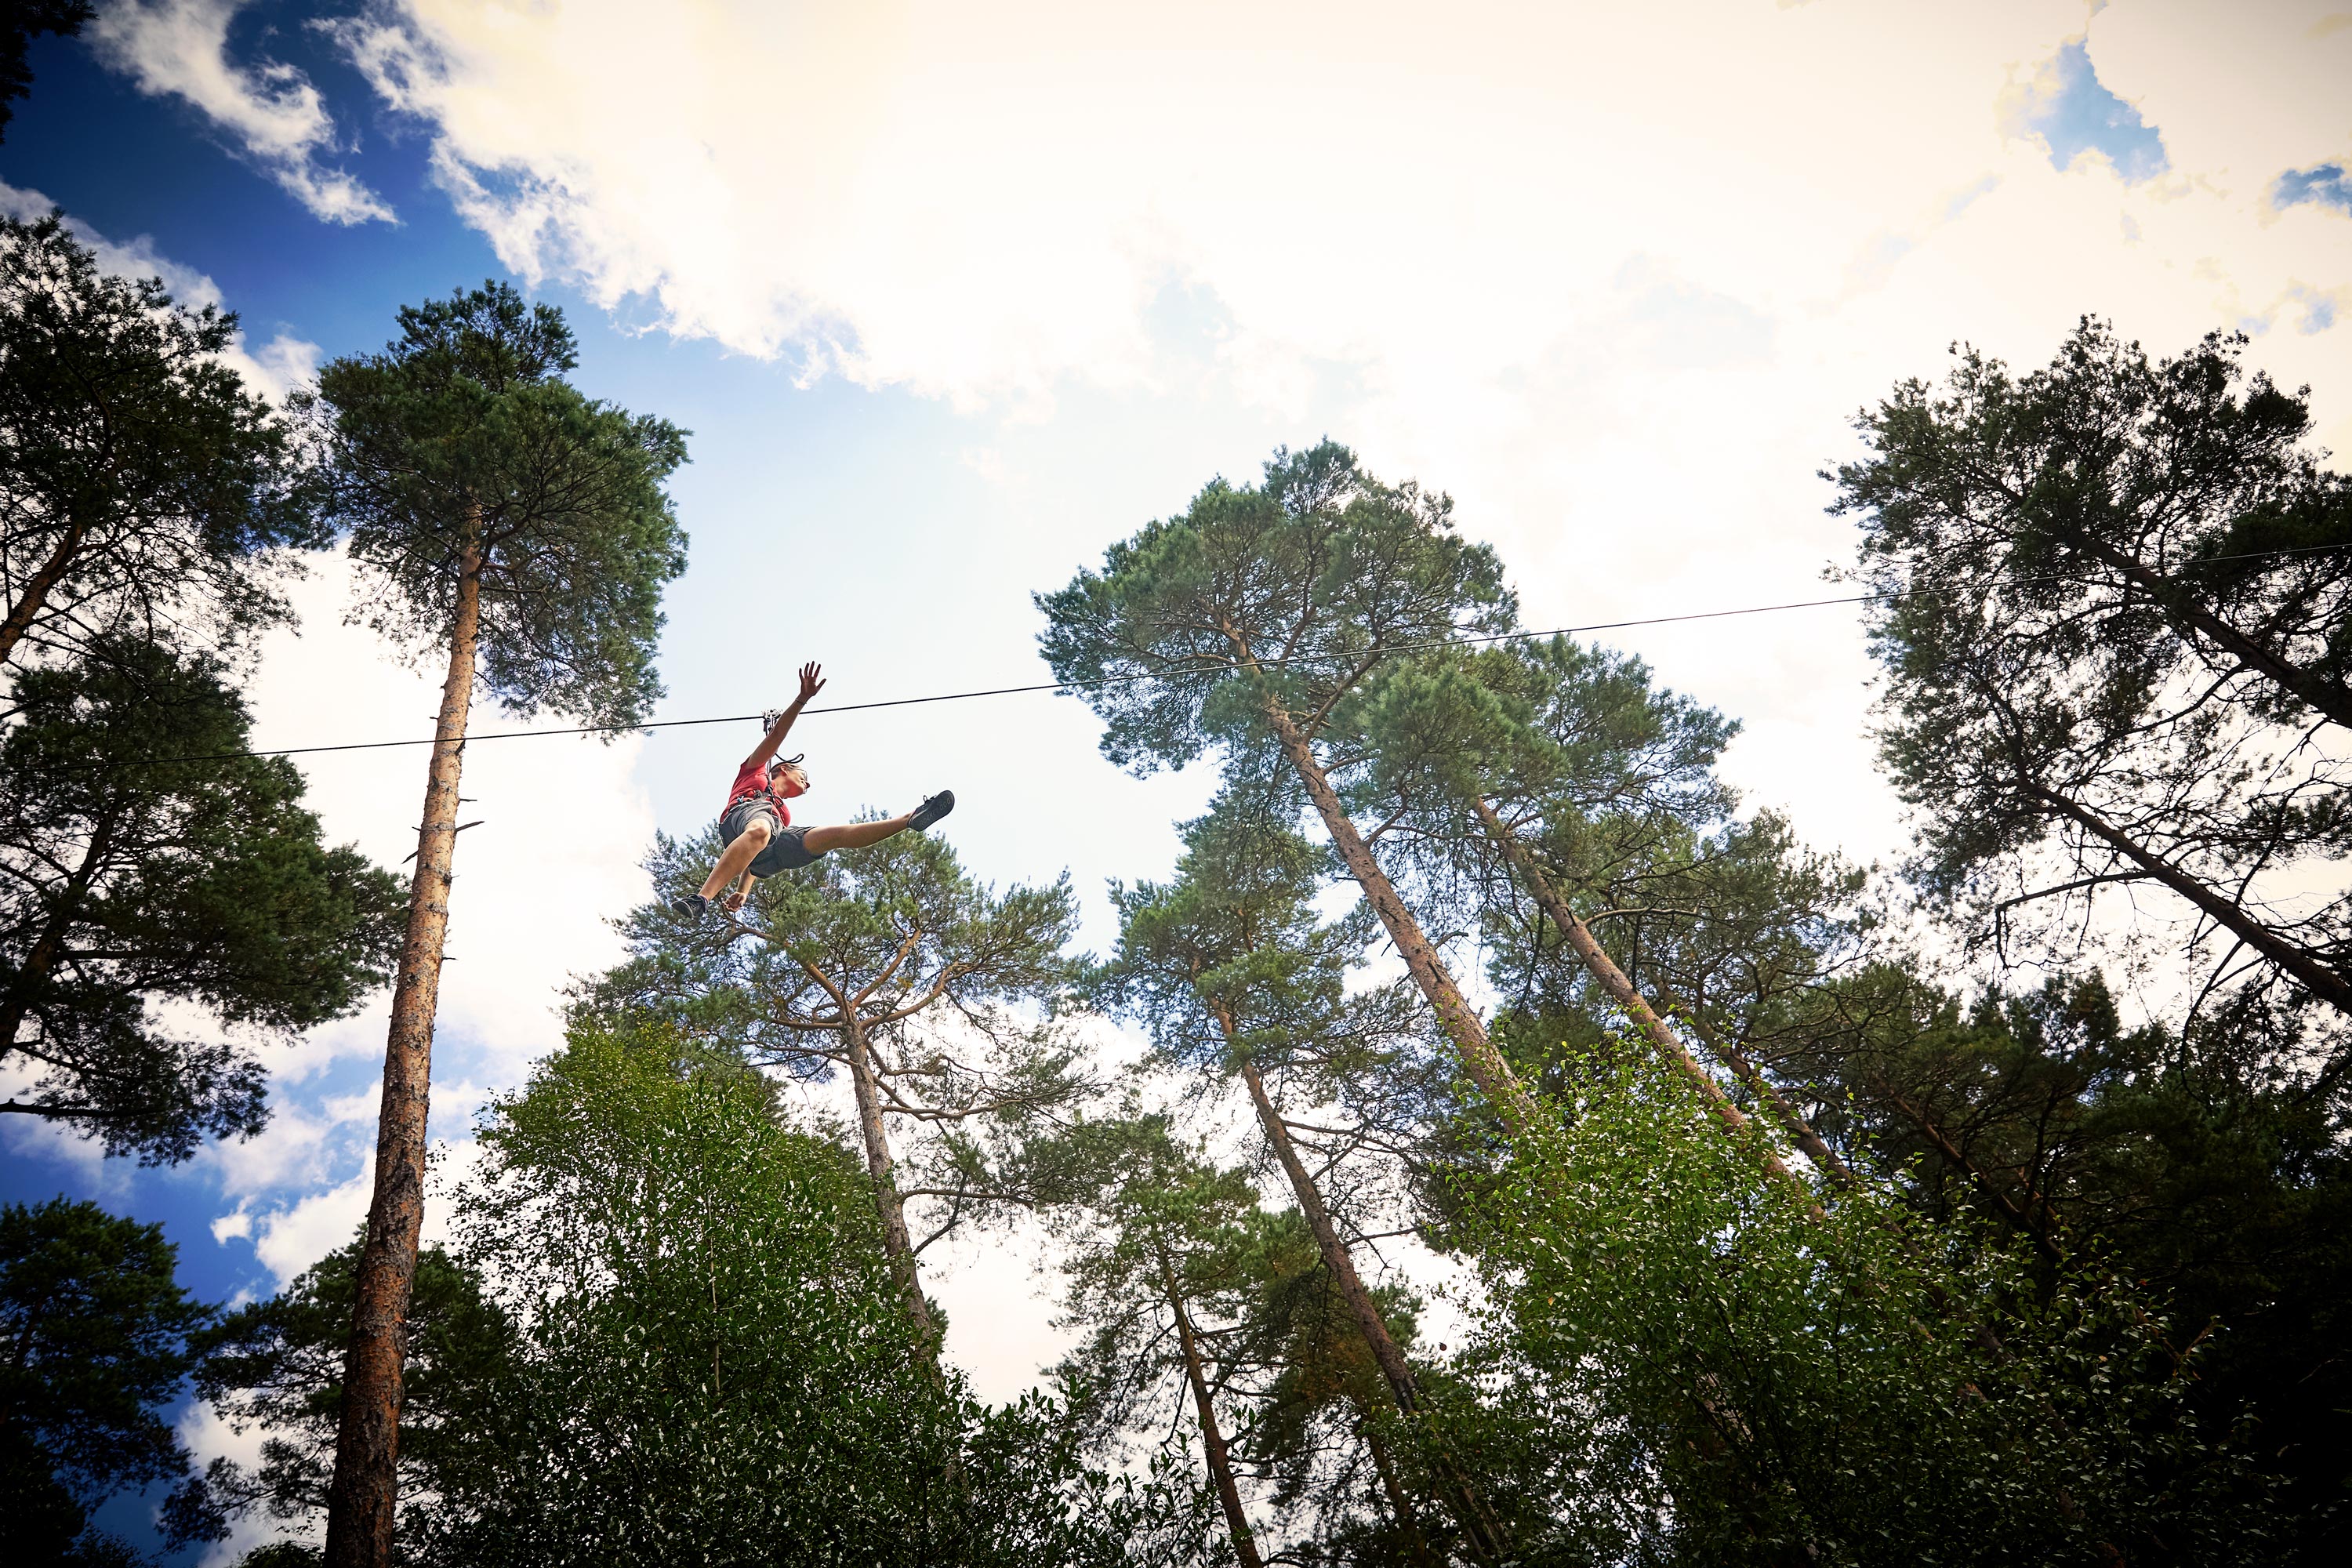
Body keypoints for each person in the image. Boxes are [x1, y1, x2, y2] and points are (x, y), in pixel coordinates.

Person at [673, 662, 954, 920]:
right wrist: (801, 700)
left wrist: (744, 890)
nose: (809, 784)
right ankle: (701, 899)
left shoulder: (783, 813)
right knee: (762, 828)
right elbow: (777, 736)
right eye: (804, 775)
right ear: (783, 768)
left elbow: (753, 859)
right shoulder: (754, 772)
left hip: (768, 843)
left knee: (832, 836)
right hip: (743, 815)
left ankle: (909, 819)